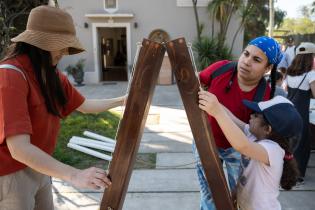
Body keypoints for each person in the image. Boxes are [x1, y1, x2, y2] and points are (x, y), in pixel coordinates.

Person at [0, 6, 125, 210]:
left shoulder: (51, 74)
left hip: (41, 166)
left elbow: (85, 106)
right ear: (41, 44)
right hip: (11, 175)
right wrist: (74, 175)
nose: (65, 52)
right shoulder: (10, 75)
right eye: (62, 46)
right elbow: (19, 149)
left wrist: (123, 100)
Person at [192, 36, 283, 210]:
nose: (247, 62)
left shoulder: (265, 96)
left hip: (238, 151)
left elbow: (252, 134)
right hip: (205, 141)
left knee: (238, 199)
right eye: (246, 54)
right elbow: (195, 80)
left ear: (268, 68)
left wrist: (219, 111)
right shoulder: (221, 68)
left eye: (256, 59)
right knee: (210, 197)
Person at [198, 92, 301, 210]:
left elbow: (242, 146)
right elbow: (232, 119)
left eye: (256, 115)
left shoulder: (273, 150)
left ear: (267, 129)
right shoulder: (254, 135)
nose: (251, 116)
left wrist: (217, 112)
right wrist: (215, 103)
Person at [286, 42, 315, 184]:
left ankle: (286, 173)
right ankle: (297, 175)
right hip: (302, 114)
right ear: (310, 57)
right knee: (303, 144)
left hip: (290, 111)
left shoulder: (289, 72)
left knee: (290, 143)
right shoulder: (311, 74)